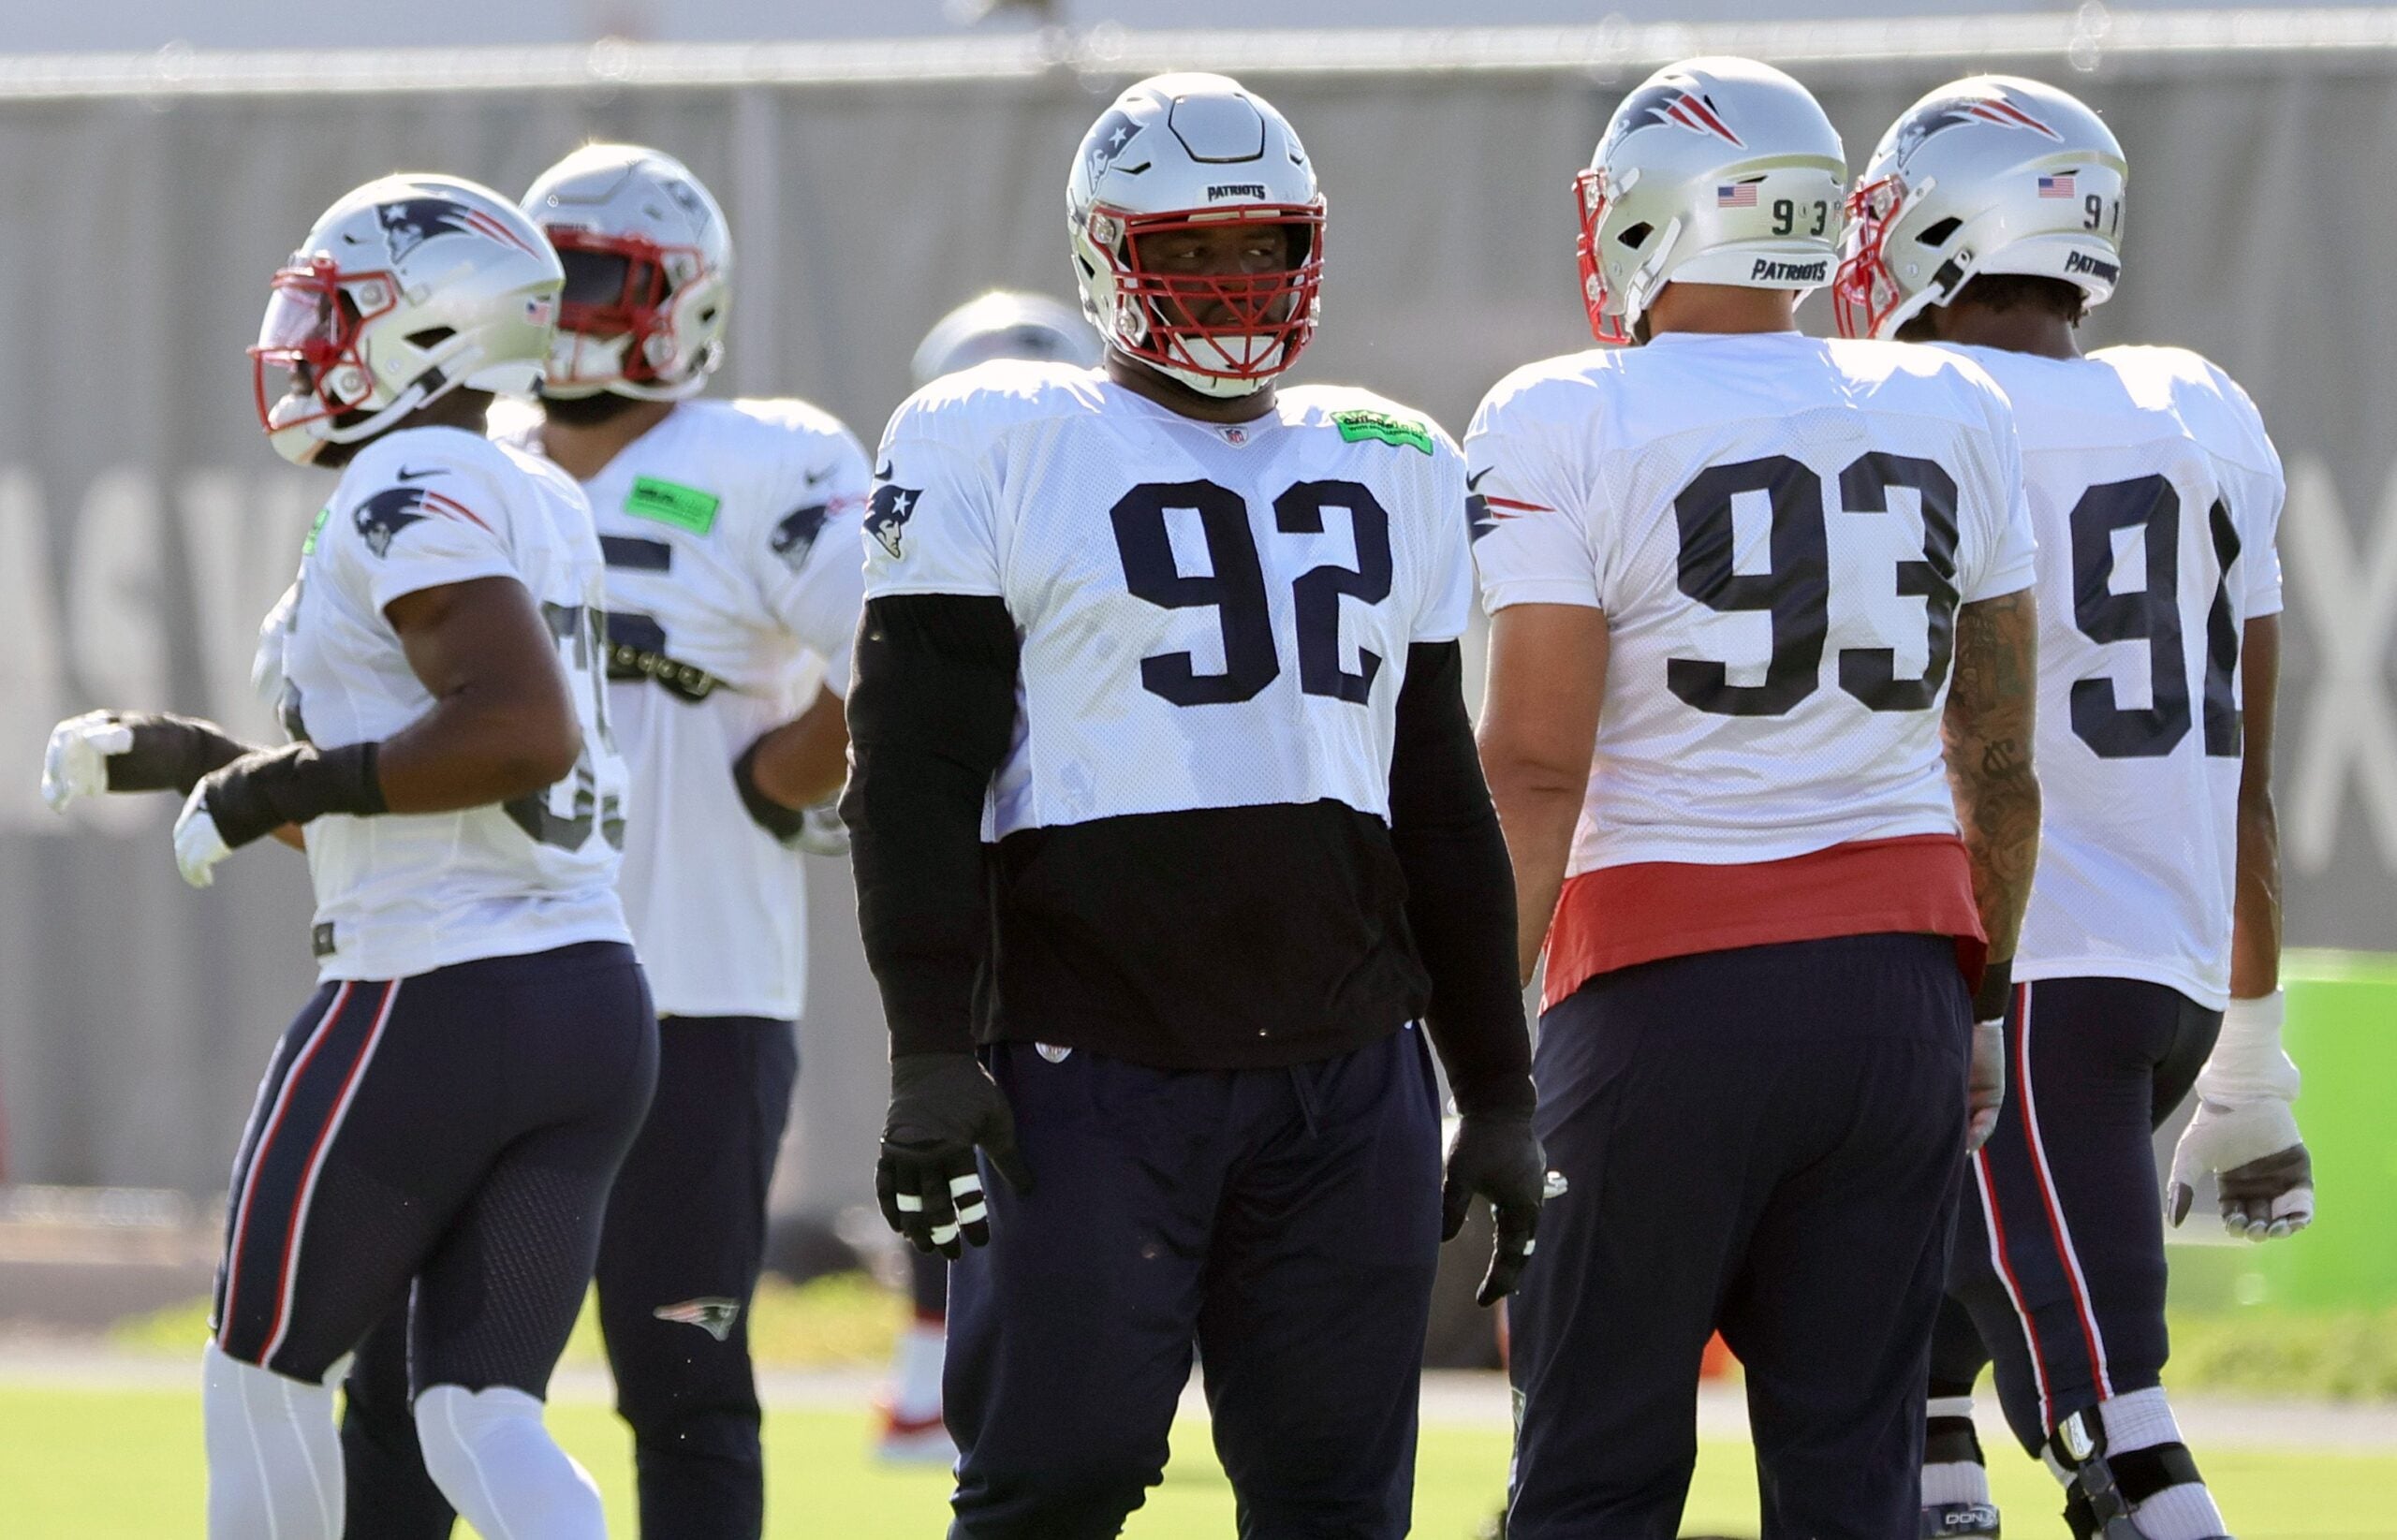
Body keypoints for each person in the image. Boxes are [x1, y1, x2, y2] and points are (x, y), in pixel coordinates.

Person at [842, 71, 1546, 1539]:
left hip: (1347, 1072)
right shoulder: (1000, 433)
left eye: (1263, 246)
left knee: (1338, 1505)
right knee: (1056, 1481)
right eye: (1189, 250)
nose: (1234, 280)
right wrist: (926, 1048)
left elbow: (1439, 800)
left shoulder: (1394, 455)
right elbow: (913, 770)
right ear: (1108, 256)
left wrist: (1496, 1085)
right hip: (1090, 1061)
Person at [1468, 56, 2042, 1537]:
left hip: (1662, 993)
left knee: (1593, 1468)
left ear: (1652, 217)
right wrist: (1977, 1005)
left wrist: (1471, 1049)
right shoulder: (1951, 399)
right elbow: (1998, 757)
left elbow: (1535, 767)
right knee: (1856, 1478)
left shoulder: (1565, 412)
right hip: (1896, 994)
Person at [41, 173, 648, 1540]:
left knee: (260, 1371)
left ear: (429, 328)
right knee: (477, 1412)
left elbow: (516, 728)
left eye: (340, 308)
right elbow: (433, 767)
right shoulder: (527, 486)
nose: (308, 337)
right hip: (587, 996)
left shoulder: (409, 474)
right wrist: (205, 759)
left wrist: (273, 787)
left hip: (433, 994)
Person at [333, 142, 871, 1540]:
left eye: (603, 279)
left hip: (694, 987)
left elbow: (899, 648)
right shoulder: (454, 465)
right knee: (400, 1387)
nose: (569, 311)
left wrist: (781, 772)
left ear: (685, 298)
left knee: (684, 1381)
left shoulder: (768, 457)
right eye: (546, 281)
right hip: (474, 981)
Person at [1836, 76, 2312, 1540]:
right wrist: (2252, 1052)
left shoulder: (1914, 407)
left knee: (2116, 1427)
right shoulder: (2203, 407)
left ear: (1940, 228)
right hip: (2156, 980)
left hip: (2017, 981)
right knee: (1909, 1377)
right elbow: (2250, 762)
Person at [875, 286, 1102, 1467]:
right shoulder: (916, 529)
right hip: (983, 894)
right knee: (953, 1127)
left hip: (1081, 901)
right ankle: (941, 1380)